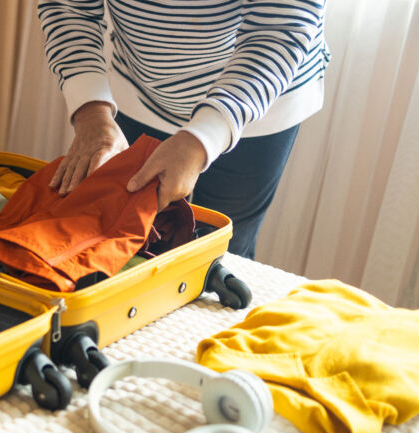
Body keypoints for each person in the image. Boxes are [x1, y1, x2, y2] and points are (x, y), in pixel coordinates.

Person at [38, 0, 330, 259]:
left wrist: (201, 139)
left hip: (254, 106)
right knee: (124, 247)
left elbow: (277, 33)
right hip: (139, 88)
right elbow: (68, 8)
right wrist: (91, 113)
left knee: (222, 257)